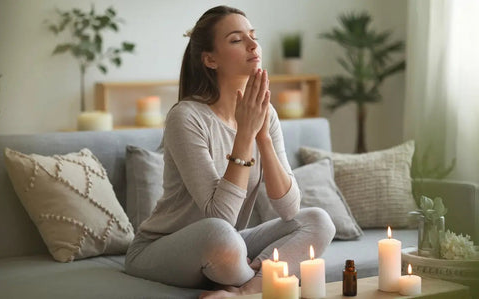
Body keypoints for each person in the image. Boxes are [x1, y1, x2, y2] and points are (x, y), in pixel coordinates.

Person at [125, 5, 335, 298]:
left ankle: (245, 290)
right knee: (222, 237)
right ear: (210, 59)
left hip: (228, 245)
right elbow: (220, 216)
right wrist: (245, 133)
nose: (253, 45)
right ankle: (261, 282)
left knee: (318, 221)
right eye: (237, 40)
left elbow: (289, 209)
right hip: (163, 247)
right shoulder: (186, 117)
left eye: (253, 36)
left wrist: (262, 137)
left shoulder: (266, 113)